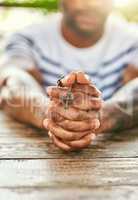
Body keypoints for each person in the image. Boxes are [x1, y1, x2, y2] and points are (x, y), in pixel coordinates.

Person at [0, 0, 138, 151]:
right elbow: (13, 82)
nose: (91, 4)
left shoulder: (134, 39)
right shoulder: (26, 38)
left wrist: (99, 117)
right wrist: (49, 112)